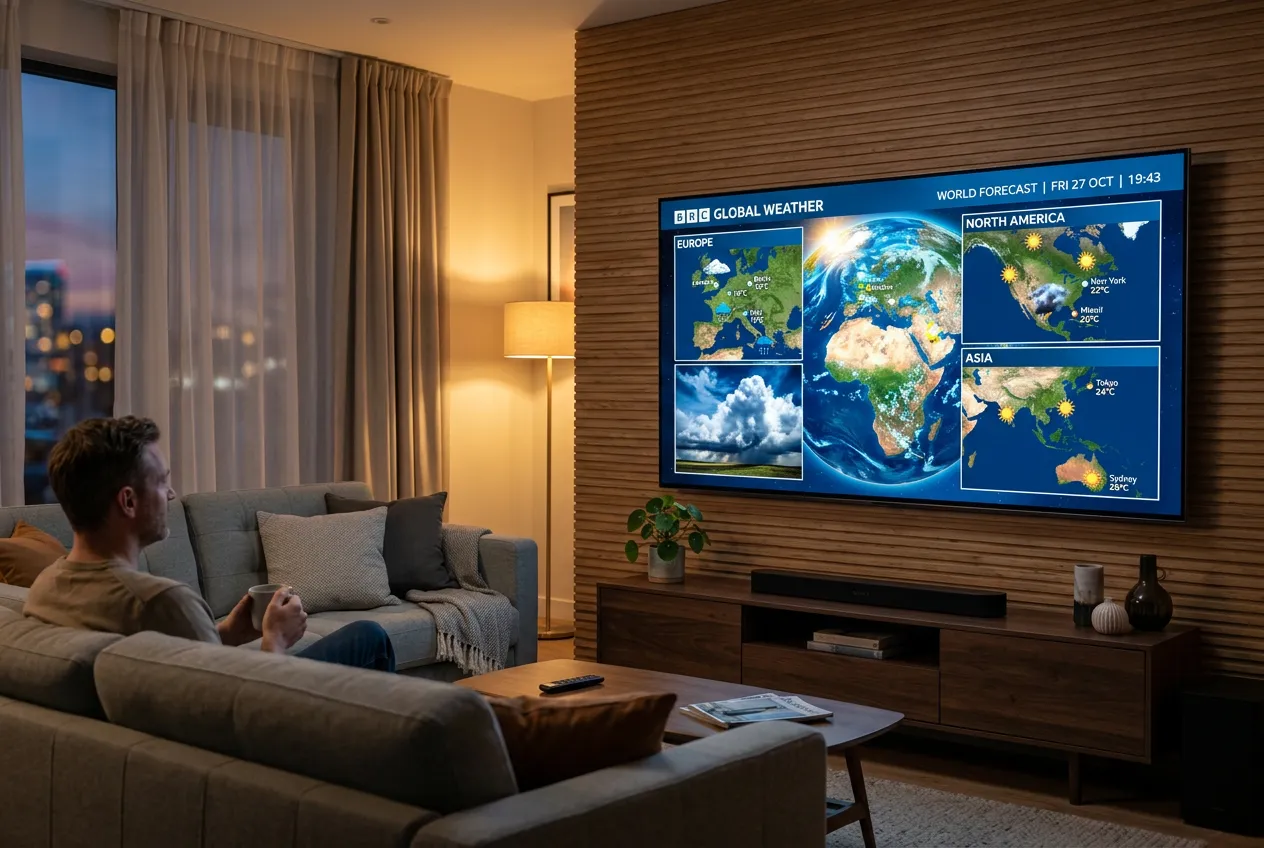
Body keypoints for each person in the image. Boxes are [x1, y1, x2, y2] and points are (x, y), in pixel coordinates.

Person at [23, 416, 394, 673]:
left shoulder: (44, 588)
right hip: (252, 735)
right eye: (161, 482)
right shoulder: (161, 602)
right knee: (369, 638)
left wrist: (227, 633)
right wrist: (275, 642)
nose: (170, 494)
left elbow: (175, 665)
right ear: (129, 501)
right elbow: (243, 713)